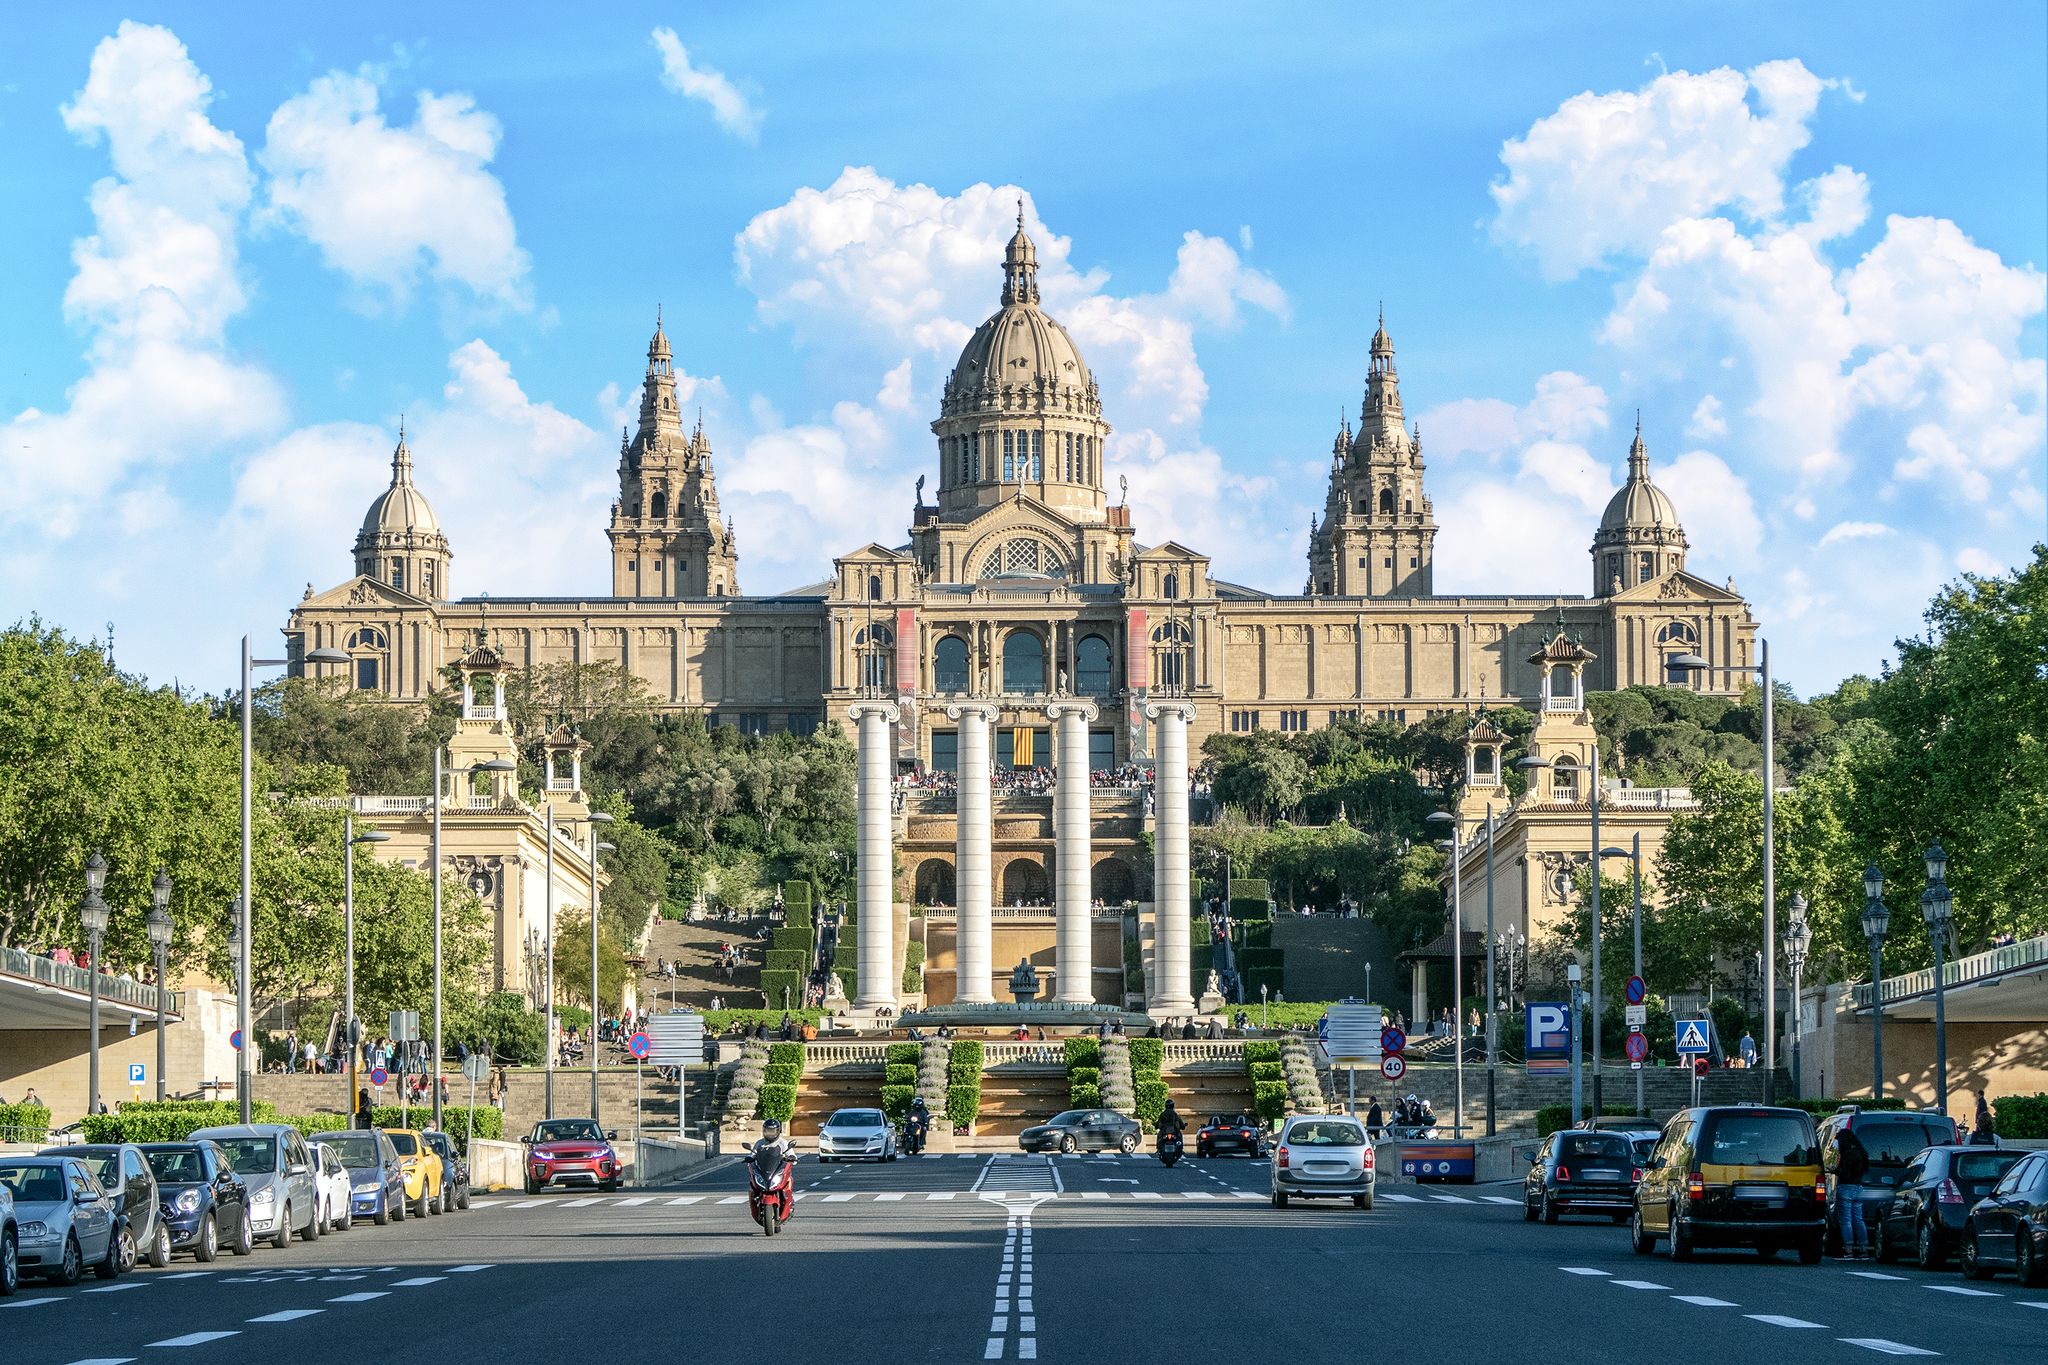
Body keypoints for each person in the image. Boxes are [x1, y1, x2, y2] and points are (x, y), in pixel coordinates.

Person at [1834, 1126, 1874, 1259]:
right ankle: (1864, 1250)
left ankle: (1849, 1250)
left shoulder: (1847, 1154)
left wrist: (1834, 1170)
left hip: (1846, 1187)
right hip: (1858, 1188)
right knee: (1858, 1220)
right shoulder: (1860, 1152)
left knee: (1846, 1221)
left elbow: (1844, 1172)